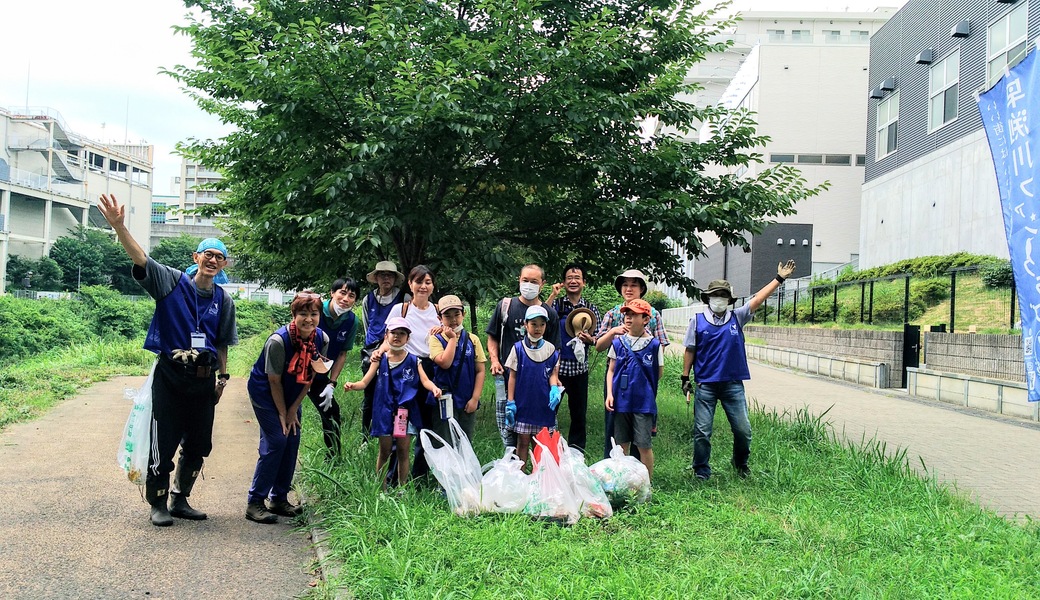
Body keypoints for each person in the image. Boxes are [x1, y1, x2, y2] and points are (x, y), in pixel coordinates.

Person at [98, 193, 238, 527]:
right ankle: (157, 503)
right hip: (171, 376)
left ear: (224, 265)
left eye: (219, 257)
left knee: (200, 443)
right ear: (197, 257)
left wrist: (222, 378)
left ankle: (180, 499)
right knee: (163, 442)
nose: (213, 260)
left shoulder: (224, 300)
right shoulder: (171, 282)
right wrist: (119, 227)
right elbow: (141, 258)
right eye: (208, 254)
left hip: (203, 380)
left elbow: (222, 344)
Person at [681, 261, 797, 480]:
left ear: (729, 300)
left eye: (723, 295)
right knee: (702, 432)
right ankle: (701, 469)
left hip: (732, 385)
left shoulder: (737, 317)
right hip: (705, 385)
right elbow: (690, 350)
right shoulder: (696, 321)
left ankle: (740, 463)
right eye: (715, 295)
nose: (719, 299)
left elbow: (758, 298)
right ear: (708, 298)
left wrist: (779, 278)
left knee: (743, 430)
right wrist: (685, 377)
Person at [245, 291, 330, 523]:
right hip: (265, 391)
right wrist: (283, 413)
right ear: (293, 314)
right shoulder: (278, 341)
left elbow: (311, 376)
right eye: (303, 313)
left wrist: (293, 410)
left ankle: (279, 498)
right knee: (277, 440)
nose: (309, 319)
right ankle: (254, 502)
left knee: (292, 439)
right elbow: (273, 381)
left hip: (293, 392)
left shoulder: (321, 340)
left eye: (314, 314)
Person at [342, 317, 442, 487]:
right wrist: (353, 385)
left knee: (403, 451)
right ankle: (381, 488)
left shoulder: (413, 360)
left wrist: (434, 388)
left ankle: (402, 487)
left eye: (402, 333)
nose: (397, 336)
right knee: (385, 450)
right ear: (386, 335)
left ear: (408, 338)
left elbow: (425, 381)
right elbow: (365, 382)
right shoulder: (379, 359)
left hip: (404, 412)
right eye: (393, 333)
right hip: (384, 411)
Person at [594, 269, 669, 459]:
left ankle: (638, 472)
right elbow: (599, 346)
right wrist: (613, 333)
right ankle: (613, 468)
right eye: (625, 285)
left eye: (634, 285)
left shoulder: (653, 314)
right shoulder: (613, 314)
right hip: (617, 376)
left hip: (643, 379)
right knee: (614, 424)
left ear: (642, 288)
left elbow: (661, 348)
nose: (629, 289)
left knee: (641, 425)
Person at [486, 264, 561, 448]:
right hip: (508, 379)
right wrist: (495, 360)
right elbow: (492, 337)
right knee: (510, 431)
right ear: (519, 280)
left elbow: (555, 352)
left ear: (542, 284)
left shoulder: (549, 314)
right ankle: (514, 470)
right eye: (525, 280)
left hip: (538, 386)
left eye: (534, 281)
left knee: (541, 433)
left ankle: (540, 472)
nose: (528, 284)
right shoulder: (506, 306)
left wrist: (554, 382)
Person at [385, 265, 441, 479]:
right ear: (410, 284)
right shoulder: (401, 310)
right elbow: (387, 339)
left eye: (427, 282)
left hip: (430, 368)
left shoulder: (437, 311)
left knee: (426, 425)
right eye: (419, 282)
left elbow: (451, 333)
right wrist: (377, 357)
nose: (423, 286)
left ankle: (419, 476)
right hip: (404, 369)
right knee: (400, 421)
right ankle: (392, 476)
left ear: (433, 285)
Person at [602, 299, 664, 480]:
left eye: (633, 315)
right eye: (626, 315)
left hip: (644, 403)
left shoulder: (654, 345)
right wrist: (610, 394)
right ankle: (622, 481)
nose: (628, 318)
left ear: (646, 319)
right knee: (621, 444)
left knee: (644, 445)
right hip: (621, 401)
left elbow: (658, 372)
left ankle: (646, 483)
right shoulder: (618, 342)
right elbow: (611, 370)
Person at [546, 263, 599, 452]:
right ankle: (547, 450)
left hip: (579, 371)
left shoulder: (591, 309)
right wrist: (553, 294)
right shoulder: (557, 305)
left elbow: (599, 338)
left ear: (584, 282)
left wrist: (590, 339)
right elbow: (541, 315)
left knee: (578, 415)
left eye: (577, 278)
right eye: (569, 278)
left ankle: (577, 453)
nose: (573, 281)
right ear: (564, 282)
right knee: (549, 412)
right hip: (556, 371)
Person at [306, 278, 360, 457]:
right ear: (332, 293)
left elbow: (342, 354)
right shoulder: (316, 310)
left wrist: (332, 383)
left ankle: (334, 458)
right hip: (297, 370)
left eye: (351, 296)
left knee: (332, 413)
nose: (345, 299)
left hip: (322, 373)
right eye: (342, 293)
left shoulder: (352, 321)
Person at [504, 305, 563, 467]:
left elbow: (552, 374)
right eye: (534, 324)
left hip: (543, 404)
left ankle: (539, 476)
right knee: (522, 441)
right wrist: (511, 401)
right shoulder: (518, 349)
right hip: (523, 403)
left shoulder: (551, 350)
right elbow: (512, 376)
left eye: (542, 324)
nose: (538, 328)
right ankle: (520, 475)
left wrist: (554, 389)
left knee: (541, 443)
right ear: (525, 324)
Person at [359, 261, 410, 437]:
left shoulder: (403, 299)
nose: (386, 278)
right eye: (382, 275)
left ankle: (395, 432)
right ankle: (365, 434)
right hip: (372, 351)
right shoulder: (368, 299)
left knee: (397, 392)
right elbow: (367, 324)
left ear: (395, 279)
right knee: (370, 393)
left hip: (395, 349)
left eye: (390, 275)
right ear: (376, 278)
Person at [427, 294, 487, 442]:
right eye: (447, 315)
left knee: (465, 441)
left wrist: (475, 398)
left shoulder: (473, 339)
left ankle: (465, 466)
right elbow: (444, 363)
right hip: (444, 398)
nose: (453, 320)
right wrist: (453, 338)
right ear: (440, 318)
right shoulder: (436, 339)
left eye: (457, 314)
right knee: (443, 441)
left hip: (467, 398)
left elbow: (480, 370)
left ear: (463, 314)